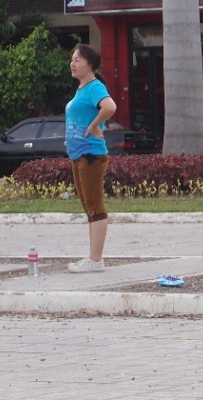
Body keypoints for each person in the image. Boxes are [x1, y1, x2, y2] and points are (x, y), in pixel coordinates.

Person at [65, 43, 115, 272]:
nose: (72, 63)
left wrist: (95, 125)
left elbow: (109, 106)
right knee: (89, 207)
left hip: (91, 155)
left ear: (91, 65)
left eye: (78, 60)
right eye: (72, 59)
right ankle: (92, 258)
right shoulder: (82, 89)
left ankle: (96, 260)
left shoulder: (94, 87)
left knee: (96, 207)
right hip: (79, 154)